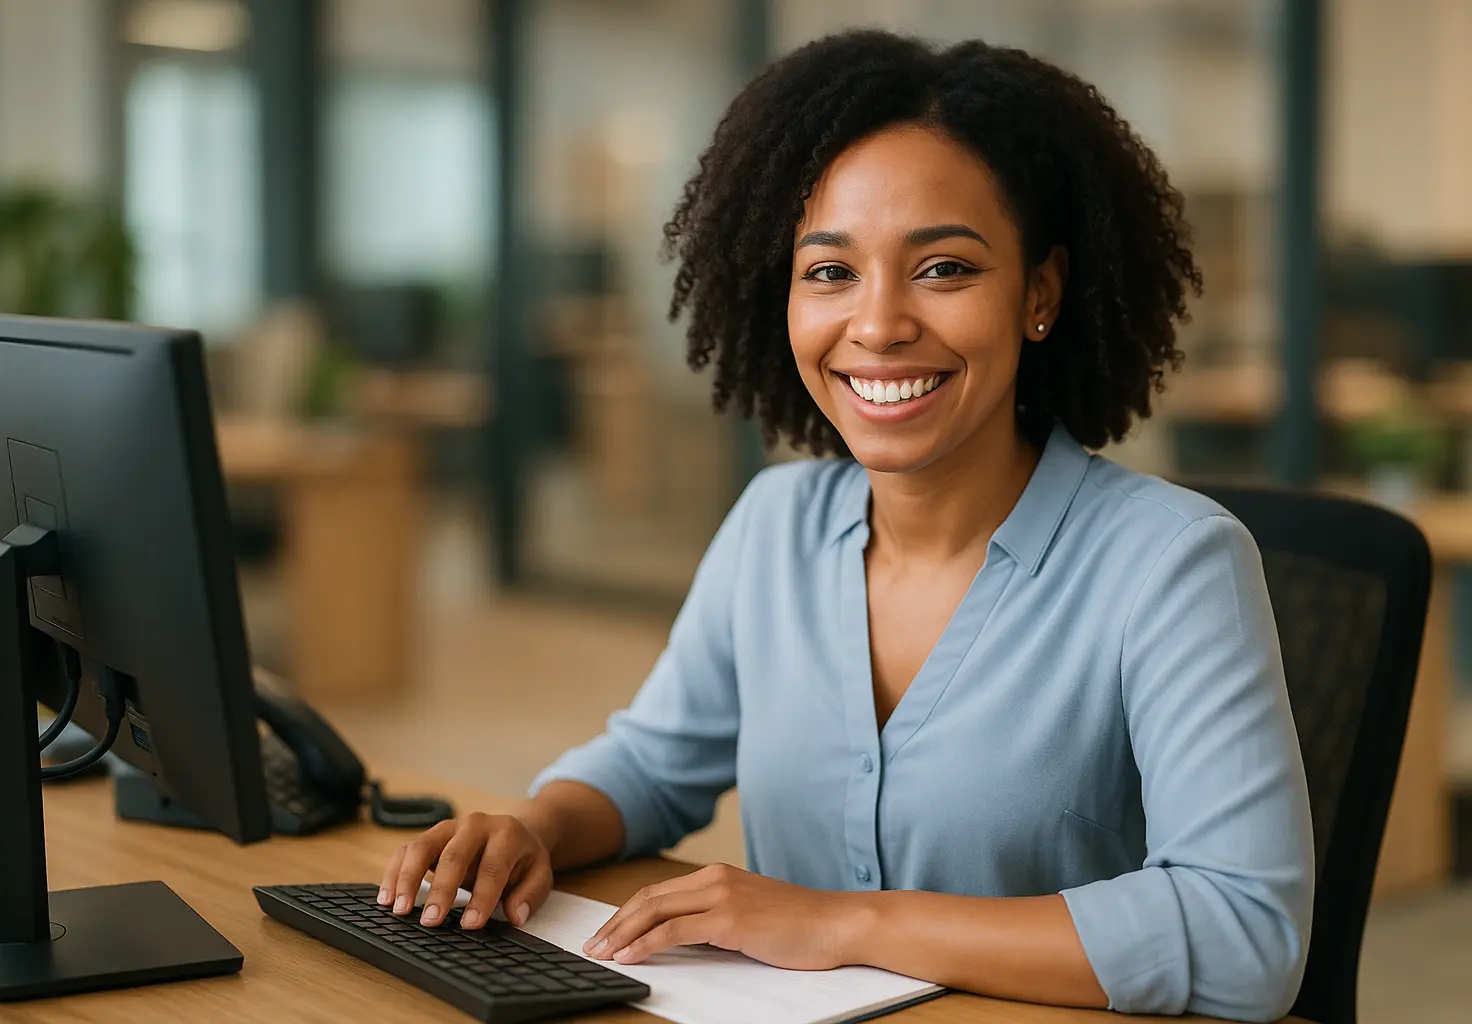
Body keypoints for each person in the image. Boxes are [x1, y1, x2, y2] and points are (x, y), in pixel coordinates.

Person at [377, 31, 1313, 1023]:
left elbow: (1244, 931)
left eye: (943, 268)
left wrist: (845, 922)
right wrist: (533, 826)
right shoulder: (775, 524)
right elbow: (652, 763)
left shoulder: (1172, 564)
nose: (877, 325)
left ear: (1039, 293)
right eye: (830, 272)